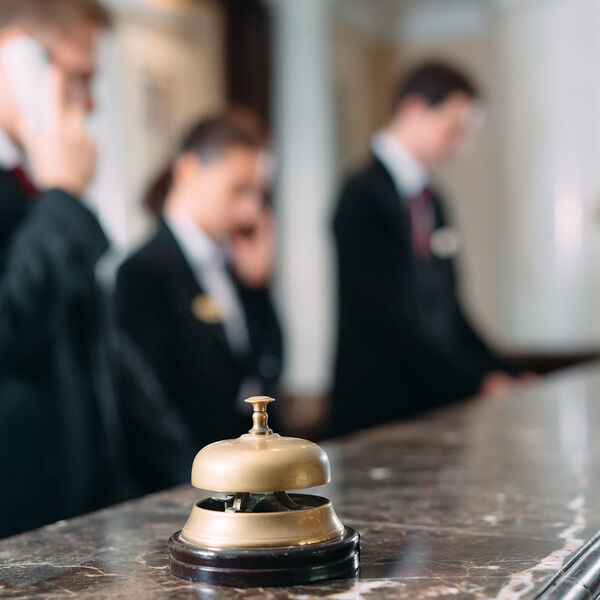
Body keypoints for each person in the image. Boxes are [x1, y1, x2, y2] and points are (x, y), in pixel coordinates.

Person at [330, 62, 520, 437]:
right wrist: (474, 379)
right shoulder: (361, 195)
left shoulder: (434, 201)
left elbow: (449, 308)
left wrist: (502, 371)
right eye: (454, 129)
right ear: (414, 110)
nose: (460, 146)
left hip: (436, 402)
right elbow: (386, 316)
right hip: (379, 408)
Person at [0, 0, 125, 538]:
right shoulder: (51, 198)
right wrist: (65, 197)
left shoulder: (33, 188)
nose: (90, 102)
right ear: (18, 59)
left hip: (76, 515)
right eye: (80, 78)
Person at [116, 115, 283, 494]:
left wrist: (259, 288)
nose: (251, 211)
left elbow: (267, 368)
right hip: (192, 486)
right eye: (238, 190)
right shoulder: (140, 273)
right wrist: (199, 485)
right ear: (189, 171)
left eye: (258, 194)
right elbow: (151, 408)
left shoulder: (237, 262)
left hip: (251, 479)